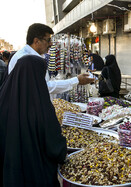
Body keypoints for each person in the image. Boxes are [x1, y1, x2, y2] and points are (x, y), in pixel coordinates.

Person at [0, 55, 67, 186]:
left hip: (9, 174)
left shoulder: (3, 100)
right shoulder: (41, 106)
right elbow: (54, 145)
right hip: (37, 176)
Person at [8, 23, 95, 97]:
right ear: (36, 41)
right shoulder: (25, 59)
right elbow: (44, 87)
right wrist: (76, 80)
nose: (51, 44)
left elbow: (45, 83)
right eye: (48, 40)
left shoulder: (35, 57)